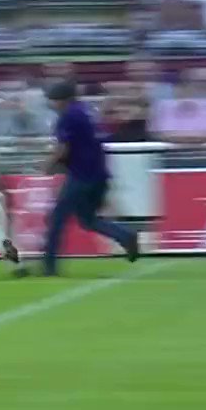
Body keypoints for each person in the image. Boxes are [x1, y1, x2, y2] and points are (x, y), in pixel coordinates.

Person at [42, 80, 140, 276]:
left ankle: (49, 267)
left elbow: (63, 148)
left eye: (53, 100)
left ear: (62, 100)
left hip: (80, 176)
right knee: (88, 220)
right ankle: (126, 235)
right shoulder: (87, 111)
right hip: (99, 175)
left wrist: (48, 165)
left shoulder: (68, 116)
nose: (52, 104)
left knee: (57, 220)